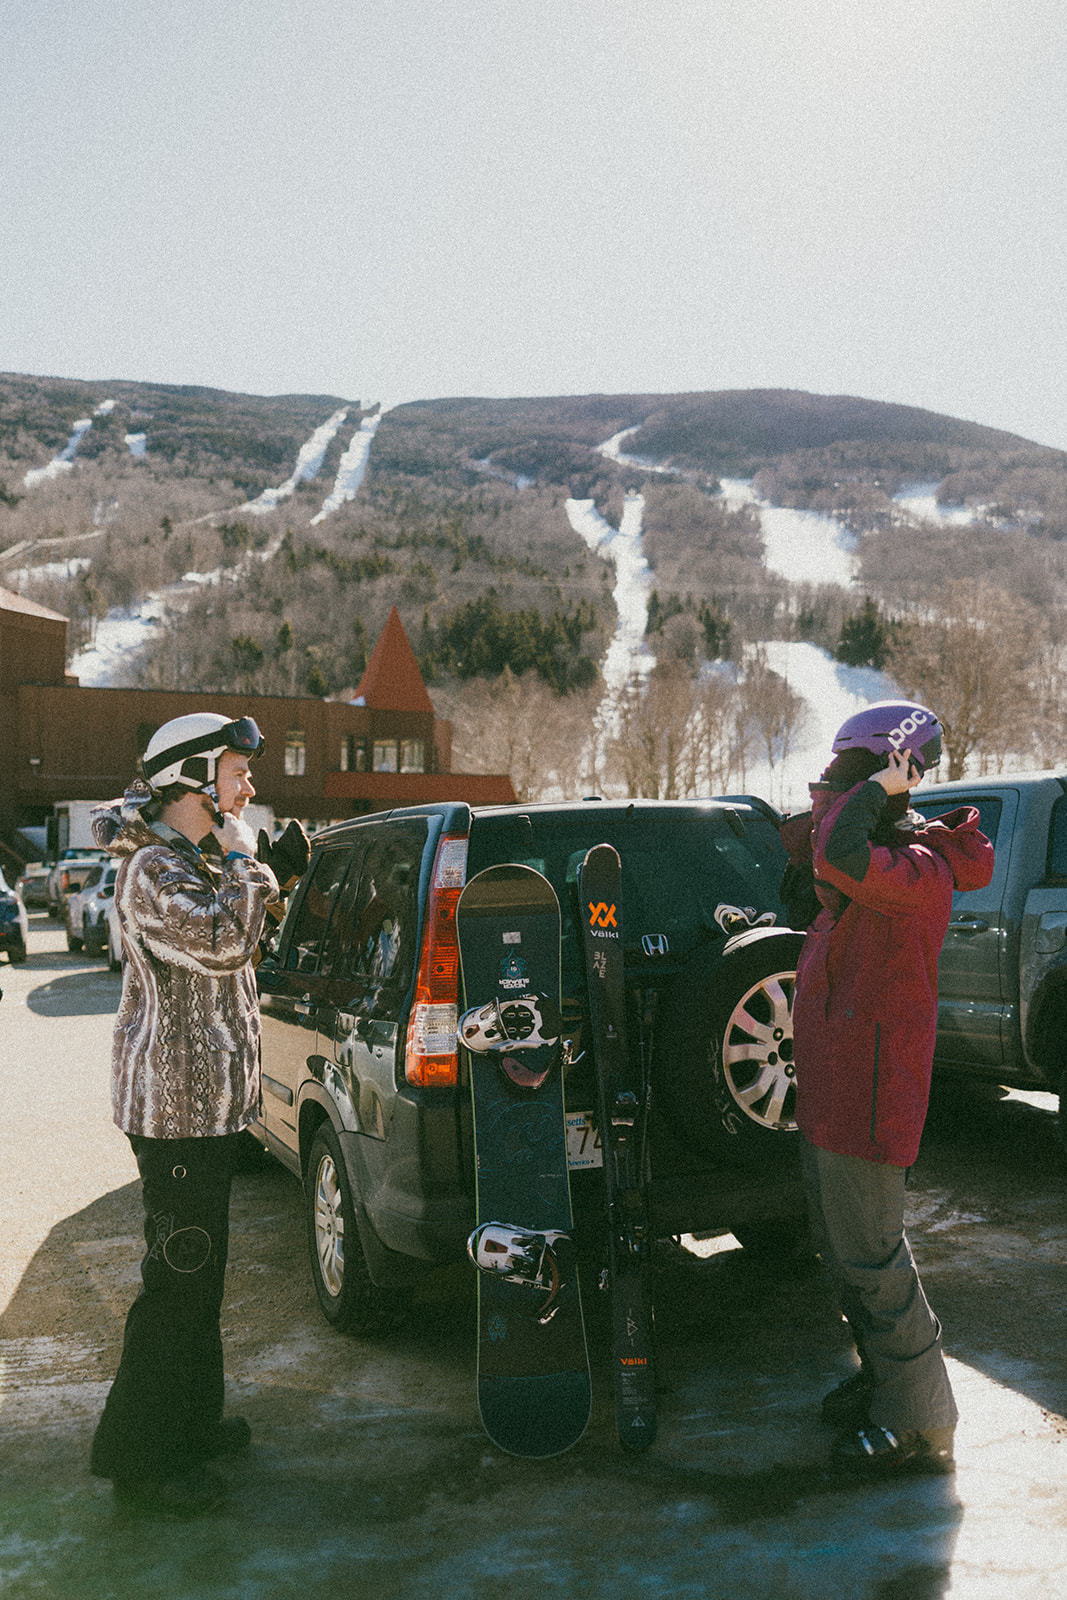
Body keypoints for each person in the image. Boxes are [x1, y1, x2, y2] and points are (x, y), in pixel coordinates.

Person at [782, 700, 994, 1476]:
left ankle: (919, 1421)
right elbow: (816, 844)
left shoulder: (916, 871)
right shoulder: (886, 853)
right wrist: (866, 793)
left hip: (870, 1094)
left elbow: (837, 853)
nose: (836, 786)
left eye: (851, 772)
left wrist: (873, 789)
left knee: (873, 1258)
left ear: (884, 771)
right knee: (842, 1254)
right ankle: (884, 1383)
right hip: (837, 1088)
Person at [89, 713, 280, 1517]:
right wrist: (249, 865)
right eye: (237, 772)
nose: (248, 787)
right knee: (177, 1284)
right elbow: (222, 943)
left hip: (207, 1112)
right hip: (173, 1115)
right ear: (195, 778)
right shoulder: (151, 870)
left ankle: (192, 1423)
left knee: (201, 1280)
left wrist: (245, 866)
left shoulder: (189, 860)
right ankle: (140, 1460)